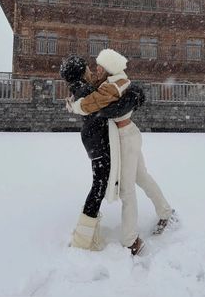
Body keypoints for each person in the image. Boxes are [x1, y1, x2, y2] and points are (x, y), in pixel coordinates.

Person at [69, 49, 177, 255]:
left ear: (109, 70)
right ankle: (166, 212)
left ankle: (131, 240)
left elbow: (92, 105)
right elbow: (91, 85)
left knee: (127, 191)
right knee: (142, 177)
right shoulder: (110, 82)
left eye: (100, 66)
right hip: (125, 135)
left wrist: (77, 107)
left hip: (125, 138)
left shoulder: (113, 86)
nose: (96, 69)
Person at [60, 55, 145, 252]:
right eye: (88, 69)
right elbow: (113, 106)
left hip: (94, 139)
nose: (92, 71)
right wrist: (134, 95)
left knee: (100, 184)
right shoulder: (85, 90)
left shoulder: (81, 88)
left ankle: (85, 234)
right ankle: (83, 238)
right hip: (97, 141)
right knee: (98, 187)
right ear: (82, 72)